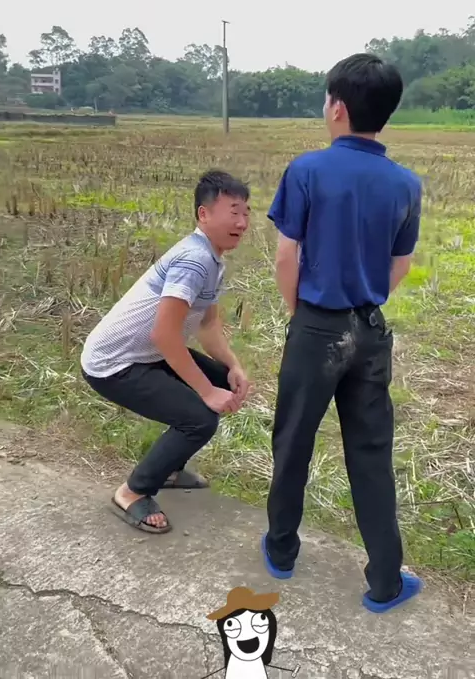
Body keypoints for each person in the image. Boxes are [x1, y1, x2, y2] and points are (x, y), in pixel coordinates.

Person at [261, 53, 423, 614]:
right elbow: (400, 265)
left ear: (336, 107)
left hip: (317, 326)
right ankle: (385, 580)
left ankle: (282, 550)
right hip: (370, 330)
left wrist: (301, 314)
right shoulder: (406, 183)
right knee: (372, 453)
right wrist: (365, 301)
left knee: (294, 440)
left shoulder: (307, 170)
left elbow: (287, 256)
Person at [81, 170, 251, 534]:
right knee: (200, 419)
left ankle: (170, 469)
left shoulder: (213, 259)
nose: (242, 222)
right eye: (233, 212)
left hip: (145, 354)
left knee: (222, 380)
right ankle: (132, 492)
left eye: (246, 213)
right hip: (113, 363)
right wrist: (205, 392)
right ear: (204, 214)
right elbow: (164, 334)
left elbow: (207, 326)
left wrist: (233, 366)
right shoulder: (194, 260)